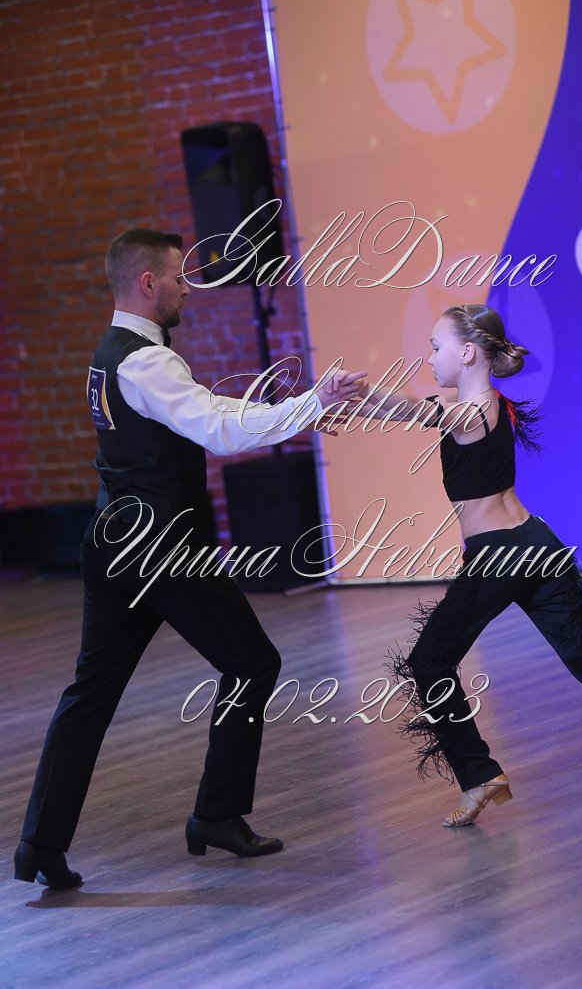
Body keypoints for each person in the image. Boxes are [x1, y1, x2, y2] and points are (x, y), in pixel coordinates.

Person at [14, 228, 366, 888]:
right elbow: (218, 428)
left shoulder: (111, 353)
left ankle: (39, 843)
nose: (187, 288)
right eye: (179, 277)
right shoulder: (146, 362)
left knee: (90, 693)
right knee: (252, 662)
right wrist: (312, 401)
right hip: (161, 550)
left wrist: (296, 412)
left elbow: (203, 413)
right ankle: (216, 815)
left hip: (112, 541)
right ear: (148, 283)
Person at [368, 303, 582, 827]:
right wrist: (353, 400)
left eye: (436, 347)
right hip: (537, 544)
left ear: (467, 353)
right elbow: (406, 407)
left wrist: (362, 396)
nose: (429, 357)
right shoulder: (491, 404)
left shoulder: (470, 413)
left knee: (429, 661)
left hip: (498, 556)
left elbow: (411, 409)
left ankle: (479, 776)